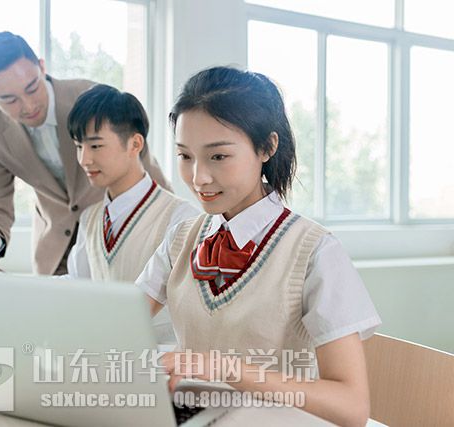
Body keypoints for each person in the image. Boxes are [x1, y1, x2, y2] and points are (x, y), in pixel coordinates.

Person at [135, 66, 381, 426]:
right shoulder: (180, 239)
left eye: (218, 156)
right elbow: (118, 324)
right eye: (186, 156)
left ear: (267, 147)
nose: (198, 178)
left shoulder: (314, 251)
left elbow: (351, 407)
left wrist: (224, 368)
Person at [0, 31, 171, 275]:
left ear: (42, 67)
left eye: (32, 88)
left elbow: (146, 171)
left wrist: (174, 232)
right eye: (10, 100)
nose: (28, 106)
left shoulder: (92, 99)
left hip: (117, 239)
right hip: (54, 254)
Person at [64, 84, 200, 343]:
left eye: (95, 146)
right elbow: (78, 285)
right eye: (79, 146)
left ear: (135, 144)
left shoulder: (182, 218)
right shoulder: (90, 218)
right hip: (104, 354)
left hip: (162, 359)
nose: (84, 159)